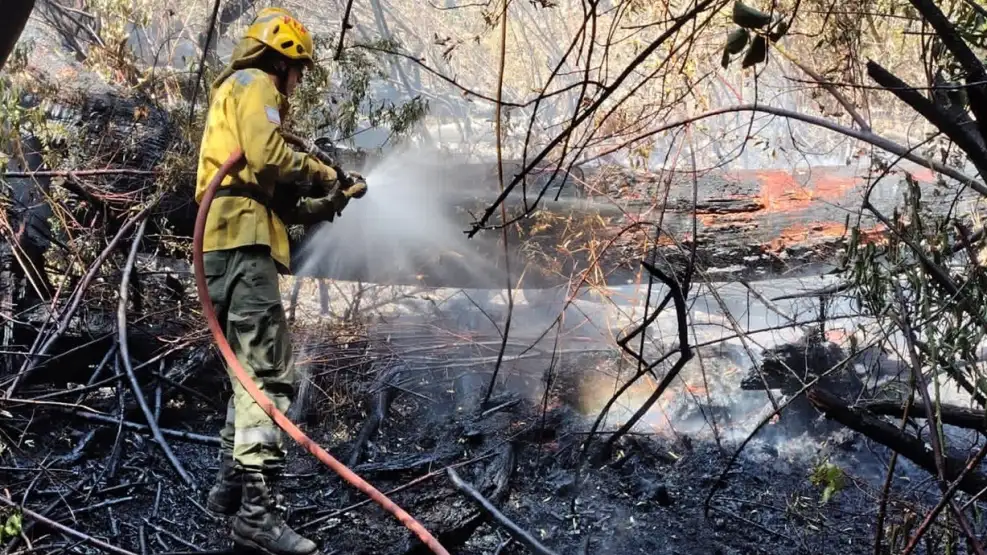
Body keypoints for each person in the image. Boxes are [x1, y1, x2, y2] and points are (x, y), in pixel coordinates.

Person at [194, 8, 366, 555]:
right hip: (241, 246)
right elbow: (270, 154)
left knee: (246, 374)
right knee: (268, 377)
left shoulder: (239, 100)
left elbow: (289, 204)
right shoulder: (254, 84)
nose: (298, 81)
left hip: (225, 242)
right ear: (284, 58)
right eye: (299, 70)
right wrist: (325, 169)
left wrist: (335, 195)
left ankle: (228, 489)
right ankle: (258, 516)